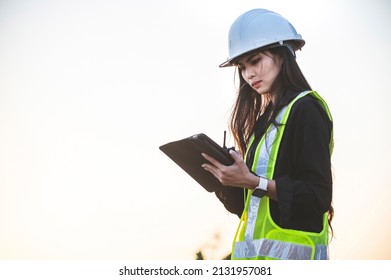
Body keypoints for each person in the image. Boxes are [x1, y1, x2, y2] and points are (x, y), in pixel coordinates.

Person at [201, 8, 334, 260]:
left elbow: (318, 196)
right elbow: (251, 208)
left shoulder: (306, 109)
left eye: (255, 60)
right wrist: (225, 179)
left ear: (282, 55)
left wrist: (253, 182)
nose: (248, 73)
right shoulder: (264, 123)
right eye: (241, 66)